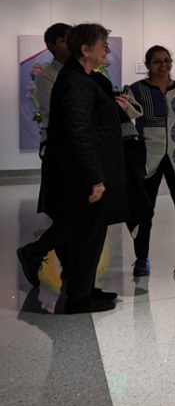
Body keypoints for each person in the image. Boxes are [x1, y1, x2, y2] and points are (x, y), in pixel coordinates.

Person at [42, 23, 130, 313]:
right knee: (86, 237)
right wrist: (94, 178)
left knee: (91, 236)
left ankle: (85, 289)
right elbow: (78, 133)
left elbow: (94, 122)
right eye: (103, 44)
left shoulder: (83, 78)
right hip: (82, 176)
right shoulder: (76, 83)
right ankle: (79, 299)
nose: (108, 49)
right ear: (85, 50)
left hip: (89, 171)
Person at [128, 45, 175, 277]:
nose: (163, 65)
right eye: (157, 61)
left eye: (167, 60)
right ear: (148, 65)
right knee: (144, 210)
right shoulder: (136, 90)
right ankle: (141, 259)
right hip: (149, 155)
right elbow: (125, 121)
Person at [17, 22, 71, 288]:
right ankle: (37, 251)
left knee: (72, 213)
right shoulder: (47, 76)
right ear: (51, 45)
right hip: (60, 151)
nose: (70, 44)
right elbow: (64, 112)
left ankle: (65, 270)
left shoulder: (79, 73)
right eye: (64, 40)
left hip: (79, 150)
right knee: (68, 212)